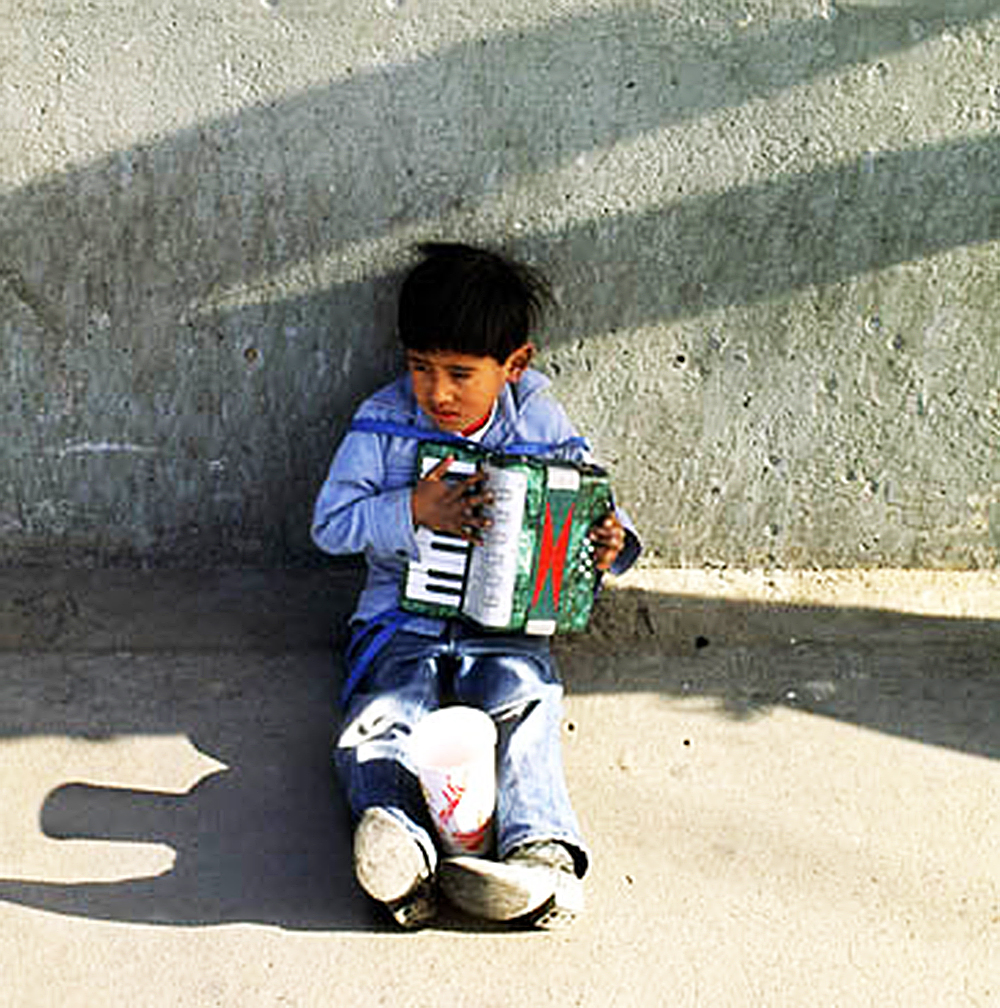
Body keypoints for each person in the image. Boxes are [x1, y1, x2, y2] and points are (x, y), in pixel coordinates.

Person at [311, 242, 641, 929]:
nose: (437, 393)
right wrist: (411, 510)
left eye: (461, 373)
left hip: (507, 629)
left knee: (528, 701)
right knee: (380, 720)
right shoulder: (382, 421)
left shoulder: (539, 422)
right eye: (420, 367)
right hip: (400, 621)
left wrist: (611, 539)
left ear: (514, 364)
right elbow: (330, 525)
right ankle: (399, 847)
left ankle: (540, 854)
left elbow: (592, 500)